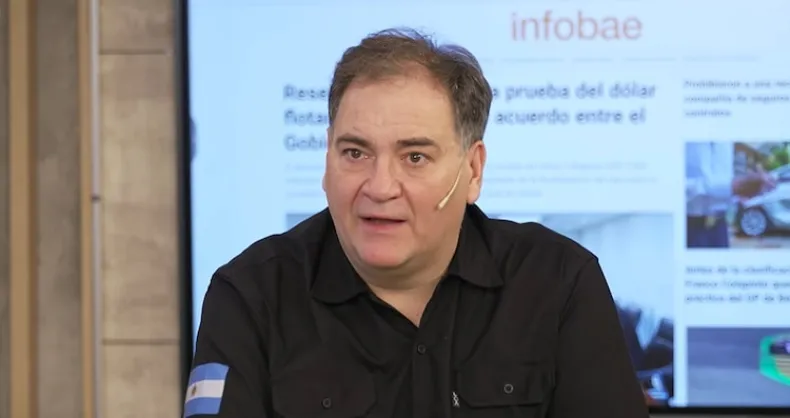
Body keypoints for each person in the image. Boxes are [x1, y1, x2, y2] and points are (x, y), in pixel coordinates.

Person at [186, 28, 649, 418]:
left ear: (473, 171)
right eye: (355, 153)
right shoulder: (250, 295)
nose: (380, 186)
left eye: (415, 157)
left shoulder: (558, 282)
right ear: (327, 159)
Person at [685, 142, 776, 248]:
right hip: (687, 227)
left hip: (719, 228)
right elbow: (671, 185)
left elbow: (726, 181)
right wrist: (732, 186)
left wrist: (743, 191)